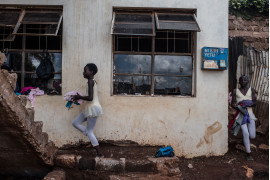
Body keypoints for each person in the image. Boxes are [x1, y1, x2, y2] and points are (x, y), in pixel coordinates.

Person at [71, 63, 104, 157]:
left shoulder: (91, 81)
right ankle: (88, 133)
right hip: (89, 108)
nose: (83, 72)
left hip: (93, 108)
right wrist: (78, 97)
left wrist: (79, 96)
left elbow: (90, 97)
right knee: (75, 123)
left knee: (90, 131)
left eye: (85, 70)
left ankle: (99, 152)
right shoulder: (90, 81)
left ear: (91, 72)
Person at [231, 75, 257, 161]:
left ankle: (245, 141)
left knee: (252, 135)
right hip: (241, 116)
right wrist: (239, 107)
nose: (243, 81)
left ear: (248, 81)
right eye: (241, 80)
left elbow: (254, 102)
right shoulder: (235, 91)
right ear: (239, 81)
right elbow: (232, 104)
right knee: (246, 133)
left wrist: (248, 103)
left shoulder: (251, 90)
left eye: (245, 80)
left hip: (250, 115)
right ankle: (248, 153)